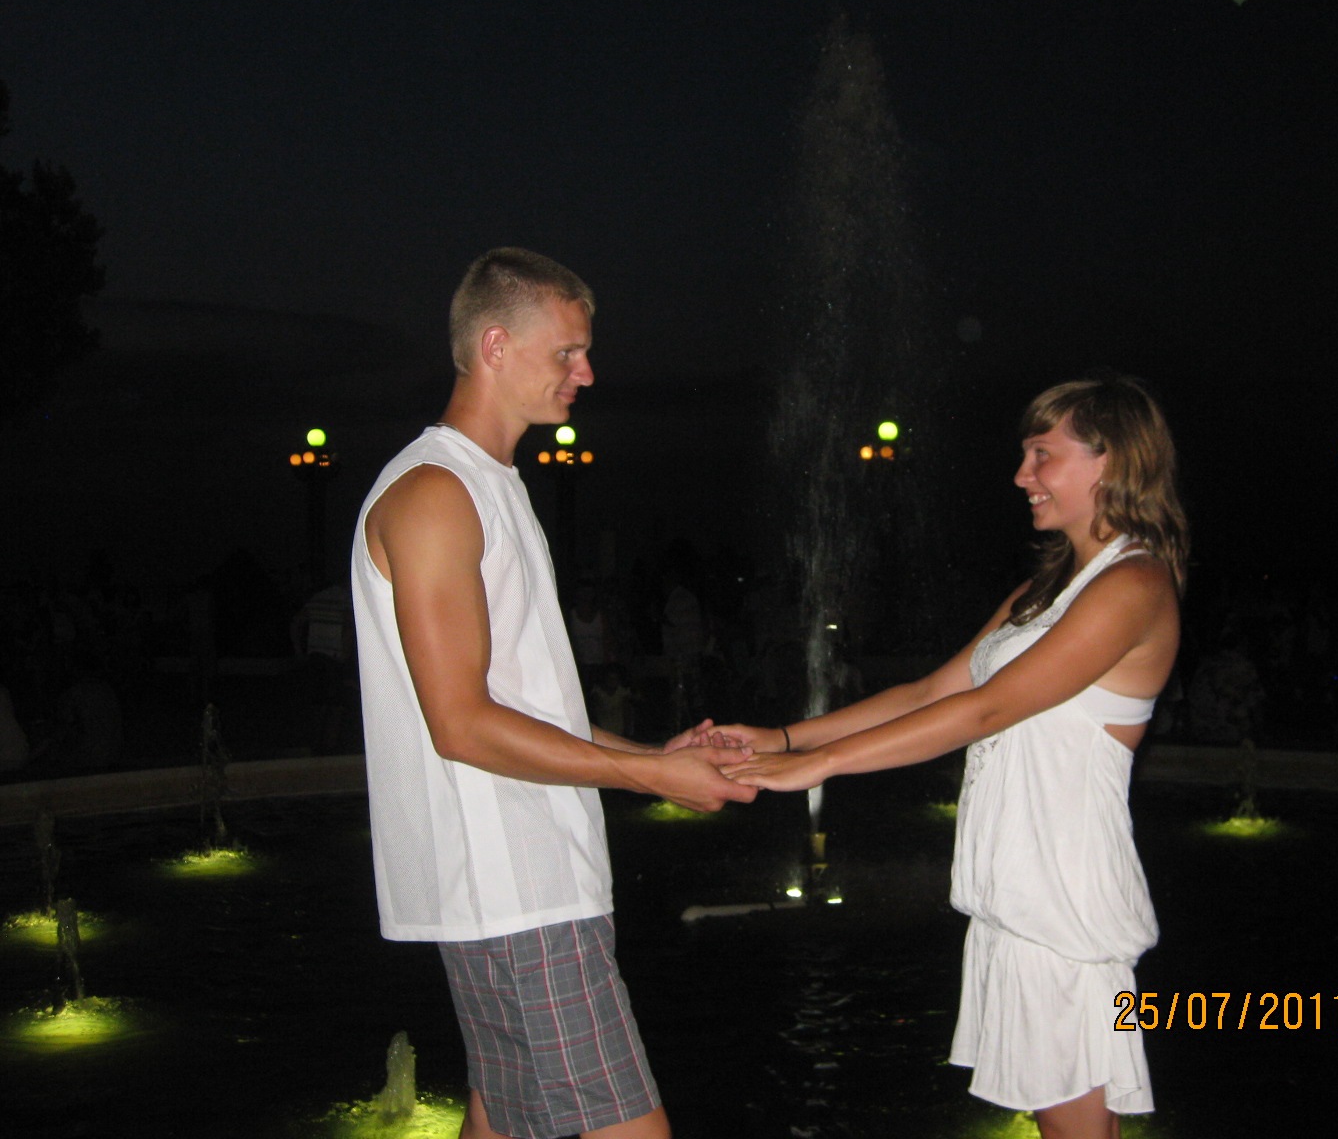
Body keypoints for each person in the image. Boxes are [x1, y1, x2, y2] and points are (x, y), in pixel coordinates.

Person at [714, 374, 1186, 1139]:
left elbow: (988, 709)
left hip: (1062, 891)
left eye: (1042, 454)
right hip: (1017, 885)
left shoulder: (1134, 582)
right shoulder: (1044, 589)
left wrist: (821, 767)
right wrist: (788, 738)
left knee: (1074, 1123)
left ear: (1111, 460)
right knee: (1057, 1118)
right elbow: (932, 689)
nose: (1022, 475)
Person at [351, 248, 756, 1139]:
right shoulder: (436, 494)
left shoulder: (487, 486)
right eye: (567, 352)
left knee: (500, 1118)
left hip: (516, 885)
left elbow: (525, 711)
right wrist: (652, 779)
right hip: (517, 888)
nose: (588, 373)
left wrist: (655, 756)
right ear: (495, 345)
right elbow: (461, 725)